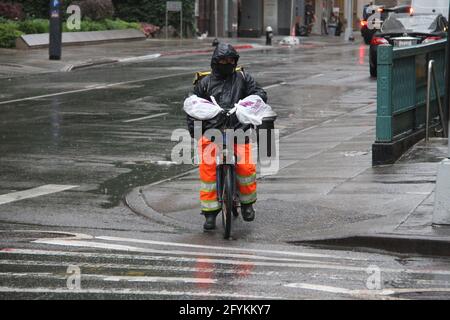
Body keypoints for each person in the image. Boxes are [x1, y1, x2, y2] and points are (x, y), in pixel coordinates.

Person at [188, 43, 268, 231]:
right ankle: (210, 214)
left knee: (246, 168)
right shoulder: (204, 83)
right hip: (210, 132)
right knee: (208, 171)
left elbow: (260, 93)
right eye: (223, 60)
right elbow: (192, 107)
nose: (227, 63)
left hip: (239, 130)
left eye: (230, 60)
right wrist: (195, 131)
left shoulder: (243, 78)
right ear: (215, 62)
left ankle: (247, 205)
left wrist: (253, 101)